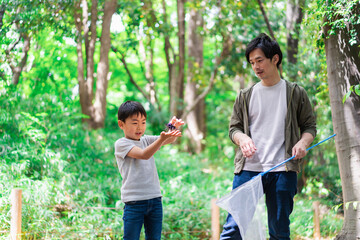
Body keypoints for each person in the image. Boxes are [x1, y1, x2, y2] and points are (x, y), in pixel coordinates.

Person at [220, 33, 317, 240]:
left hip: (283, 169)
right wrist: (243, 139)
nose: (256, 67)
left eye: (260, 60)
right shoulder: (245, 95)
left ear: (275, 59)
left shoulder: (295, 93)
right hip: (248, 169)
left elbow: (309, 126)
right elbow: (234, 129)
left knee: (279, 232)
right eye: (252, 62)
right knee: (233, 228)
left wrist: (302, 142)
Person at [114, 100, 184, 240]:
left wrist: (172, 127)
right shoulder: (121, 144)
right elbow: (144, 155)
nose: (139, 127)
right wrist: (161, 139)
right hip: (134, 202)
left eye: (143, 122)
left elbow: (168, 139)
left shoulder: (145, 140)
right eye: (134, 123)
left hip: (155, 199)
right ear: (121, 124)